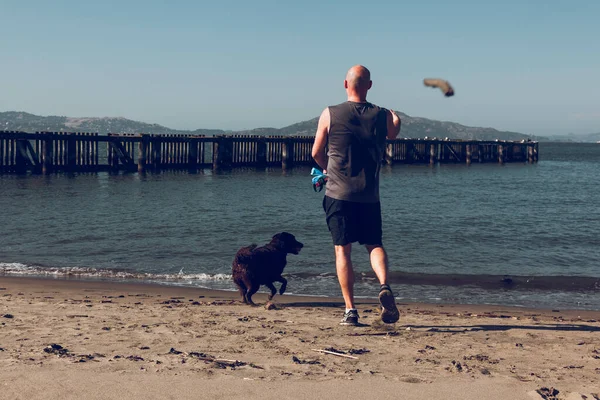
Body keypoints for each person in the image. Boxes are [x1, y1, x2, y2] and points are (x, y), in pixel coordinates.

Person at [311, 65, 401, 326]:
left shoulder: (330, 113)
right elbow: (393, 133)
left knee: (343, 250)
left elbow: (316, 152)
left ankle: (350, 310)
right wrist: (396, 120)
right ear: (369, 86)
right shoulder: (381, 114)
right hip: (369, 196)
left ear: (345, 84)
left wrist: (326, 169)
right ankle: (384, 285)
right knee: (374, 245)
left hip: (338, 194)